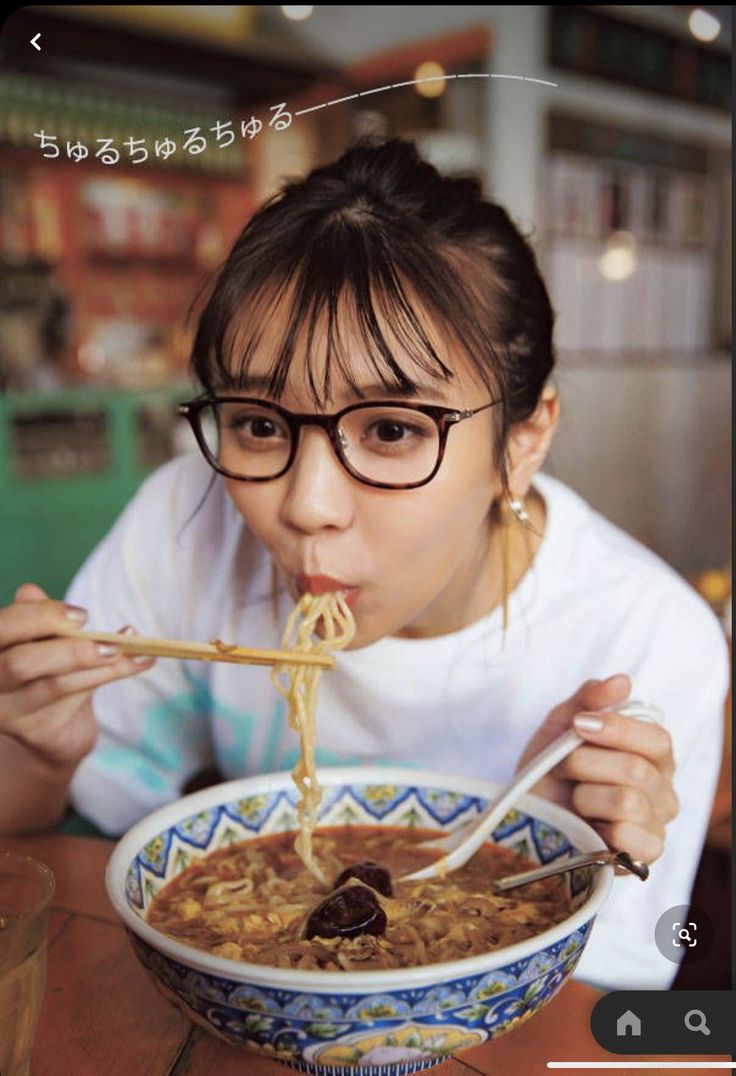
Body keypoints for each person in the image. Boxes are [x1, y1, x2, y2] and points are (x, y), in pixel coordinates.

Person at [0, 138, 728, 994]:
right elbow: (37, 830)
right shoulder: (185, 516)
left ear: (523, 442)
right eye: (259, 424)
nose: (307, 504)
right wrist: (36, 752)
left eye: (390, 430)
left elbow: (621, 993)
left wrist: (558, 860)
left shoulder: (641, 636)